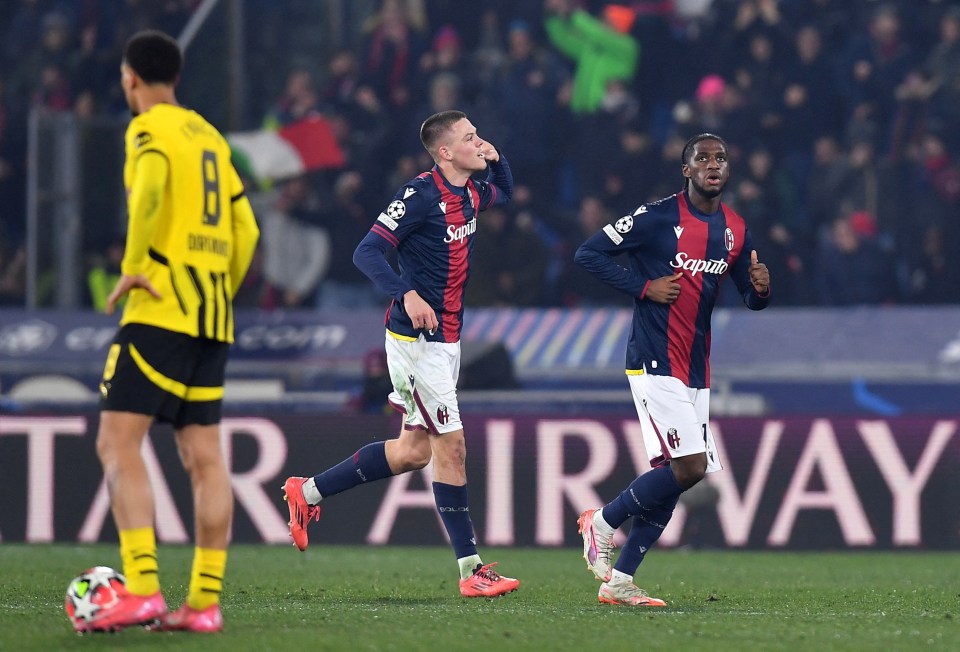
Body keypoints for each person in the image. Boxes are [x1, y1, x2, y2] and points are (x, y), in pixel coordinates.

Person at [283, 109, 519, 598]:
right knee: (450, 448)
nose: (480, 141)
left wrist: (499, 162)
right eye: (470, 137)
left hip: (447, 338)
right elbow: (366, 251)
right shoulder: (419, 194)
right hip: (415, 342)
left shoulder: (472, 191)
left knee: (412, 452)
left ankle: (305, 492)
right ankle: (471, 570)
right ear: (445, 152)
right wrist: (404, 294)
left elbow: (507, 194)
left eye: (479, 133)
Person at [87, 30, 260, 633]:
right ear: (176, 78)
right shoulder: (209, 136)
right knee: (204, 457)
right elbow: (248, 231)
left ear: (130, 78)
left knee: (117, 443)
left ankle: (141, 589)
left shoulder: (147, 130)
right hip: (214, 316)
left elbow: (153, 190)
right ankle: (204, 604)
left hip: (161, 308)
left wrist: (134, 267)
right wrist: (220, 288)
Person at [573, 133, 770, 606]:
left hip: (695, 366)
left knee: (678, 472)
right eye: (702, 158)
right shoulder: (657, 216)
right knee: (690, 466)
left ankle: (620, 580)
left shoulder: (735, 229)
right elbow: (589, 253)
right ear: (686, 170)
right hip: (654, 357)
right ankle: (601, 522)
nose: (712, 164)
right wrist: (643, 287)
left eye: (720, 157)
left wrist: (761, 290)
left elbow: (750, 295)